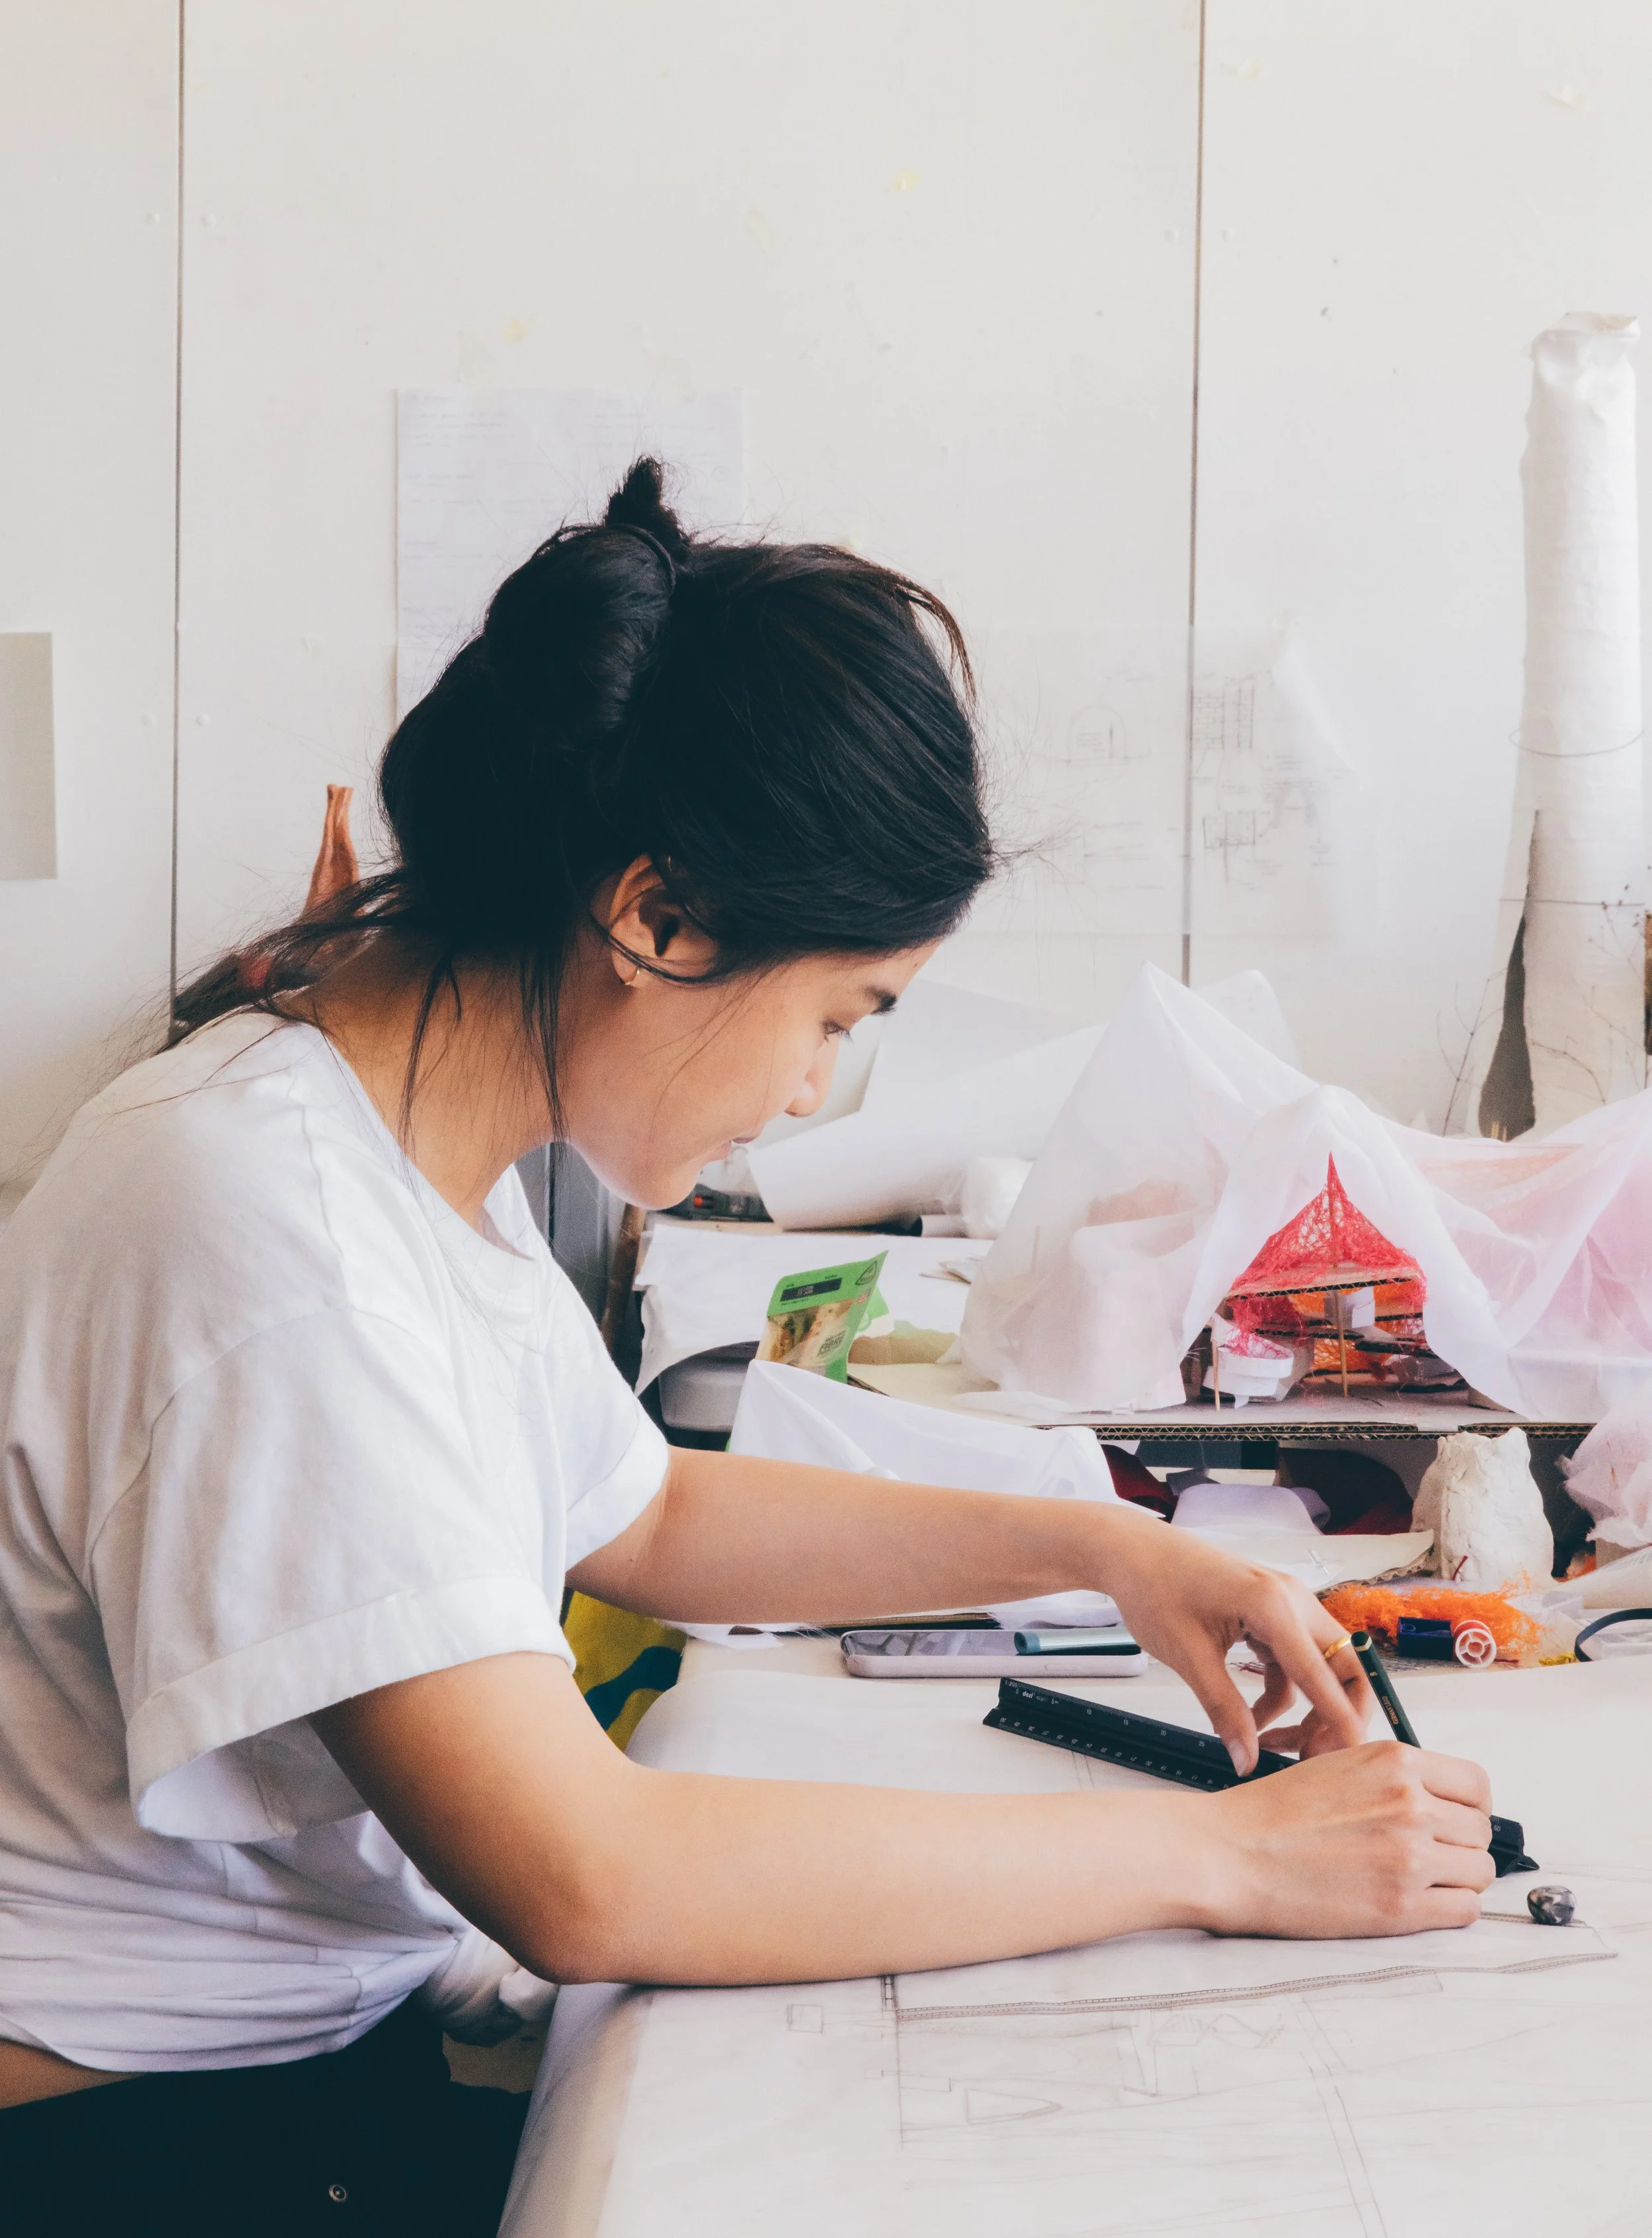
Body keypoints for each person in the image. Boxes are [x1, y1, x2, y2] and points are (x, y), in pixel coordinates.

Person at [0, 465, 1495, 2232]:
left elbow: (642, 1516)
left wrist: (1106, 1549)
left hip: (293, 2059)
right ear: (657, 918)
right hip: (137, 2139)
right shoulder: (269, 1226)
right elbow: (588, 1874)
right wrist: (1220, 1857)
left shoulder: (398, 1150)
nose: (809, 1089)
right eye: (835, 1017)